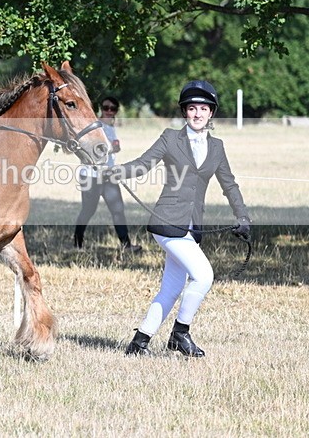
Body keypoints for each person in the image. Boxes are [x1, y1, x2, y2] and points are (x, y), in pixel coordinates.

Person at [109, 80, 251, 358]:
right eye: (192, 108)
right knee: (204, 276)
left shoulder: (217, 147)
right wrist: (116, 172)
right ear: (185, 111)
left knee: (171, 289)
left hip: (191, 226)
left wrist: (243, 216)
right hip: (167, 220)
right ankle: (179, 334)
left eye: (203, 109)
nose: (197, 114)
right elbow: (143, 164)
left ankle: (138, 344)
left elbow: (229, 184)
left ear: (211, 113)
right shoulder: (170, 138)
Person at [74, 96, 142, 254]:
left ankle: (126, 245)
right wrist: (112, 147)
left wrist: (114, 148)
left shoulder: (111, 127)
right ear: (101, 108)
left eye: (113, 109)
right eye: (106, 107)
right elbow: (95, 149)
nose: (109, 111)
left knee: (118, 209)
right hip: (91, 176)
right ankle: (77, 243)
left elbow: (111, 148)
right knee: (88, 210)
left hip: (109, 175)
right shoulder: (94, 126)